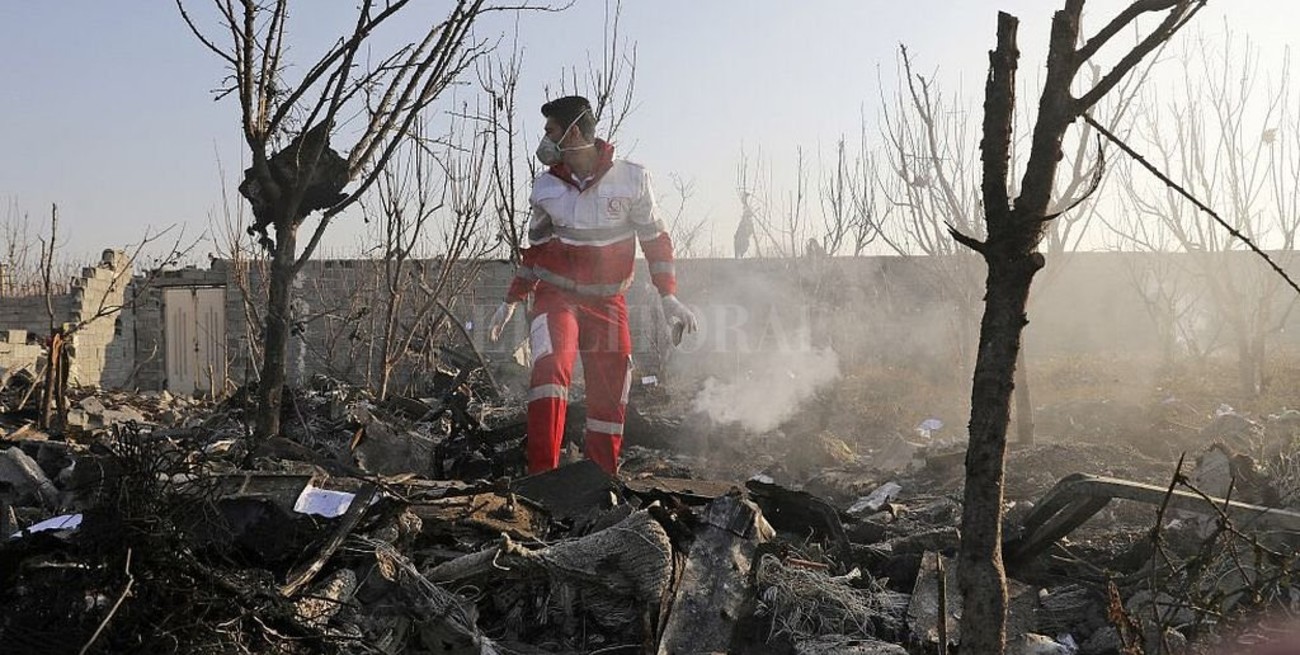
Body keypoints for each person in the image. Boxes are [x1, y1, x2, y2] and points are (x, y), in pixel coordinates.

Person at [488, 95, 696, 475]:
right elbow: (535, 252)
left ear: (575, 131)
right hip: (556, 298)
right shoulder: (545, 188)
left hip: (607, 301)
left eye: (551, 130)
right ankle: (543, 479)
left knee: (612, 385)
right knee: (550, 371)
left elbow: (655, 239)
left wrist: (668, 296)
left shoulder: (632, 179)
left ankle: (600, 481)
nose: (545, 140)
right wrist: (512, 300)